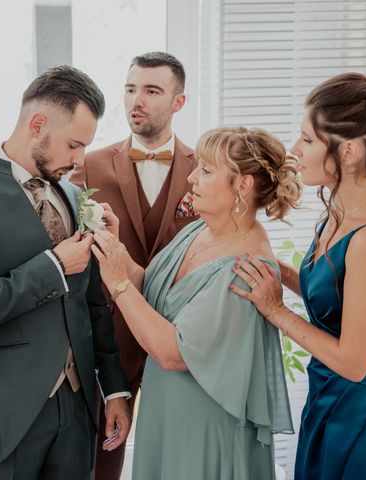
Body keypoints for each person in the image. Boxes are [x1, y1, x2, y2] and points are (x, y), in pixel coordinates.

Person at [0, 65, 131, 480]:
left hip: (76, 414)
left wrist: (114, 388)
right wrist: (52, 268)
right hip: (7, 414)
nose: (79, 160)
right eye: (74, 145)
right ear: (37, 125)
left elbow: (93, 303)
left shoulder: (75, 197)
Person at [92, 126, 299, 479]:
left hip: (204, 428)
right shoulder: (199, 229)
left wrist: (117, 283)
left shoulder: (246, 269)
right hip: (167, 414)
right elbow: (156, 292)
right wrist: (119, 252)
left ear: (242, 186)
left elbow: (175, 352)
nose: (191, 178)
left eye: (205, 170)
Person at [230, 67, 366, 479]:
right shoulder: (338, 217)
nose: (295, 149)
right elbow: (330, 294)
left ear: (347, 152)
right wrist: (271, 266)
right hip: (327, 401)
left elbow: (354, 361)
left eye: (308, 139)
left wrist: (275, 310)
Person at [71, 51, 198, 478]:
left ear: (178, 102)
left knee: (179, 457)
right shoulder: (88, 164)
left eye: (151, 90)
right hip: (110, 336)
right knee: (101, 459)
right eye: (129, 89)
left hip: (180, 337)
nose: (135, 101)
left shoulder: (205, 171)